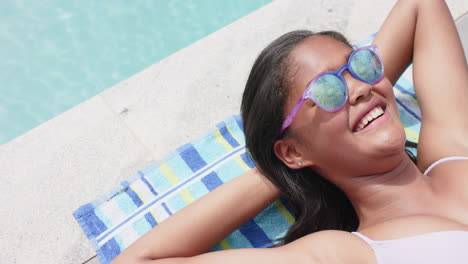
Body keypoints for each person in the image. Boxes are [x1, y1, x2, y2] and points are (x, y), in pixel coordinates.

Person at [112, 0, 468, 263]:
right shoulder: (347, 254)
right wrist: (277, 170)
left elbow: (422, 7)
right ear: (293, 152)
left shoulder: (452, 147)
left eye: (360, 65)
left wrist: (366, 91)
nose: (359, 87)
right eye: (327, 92)